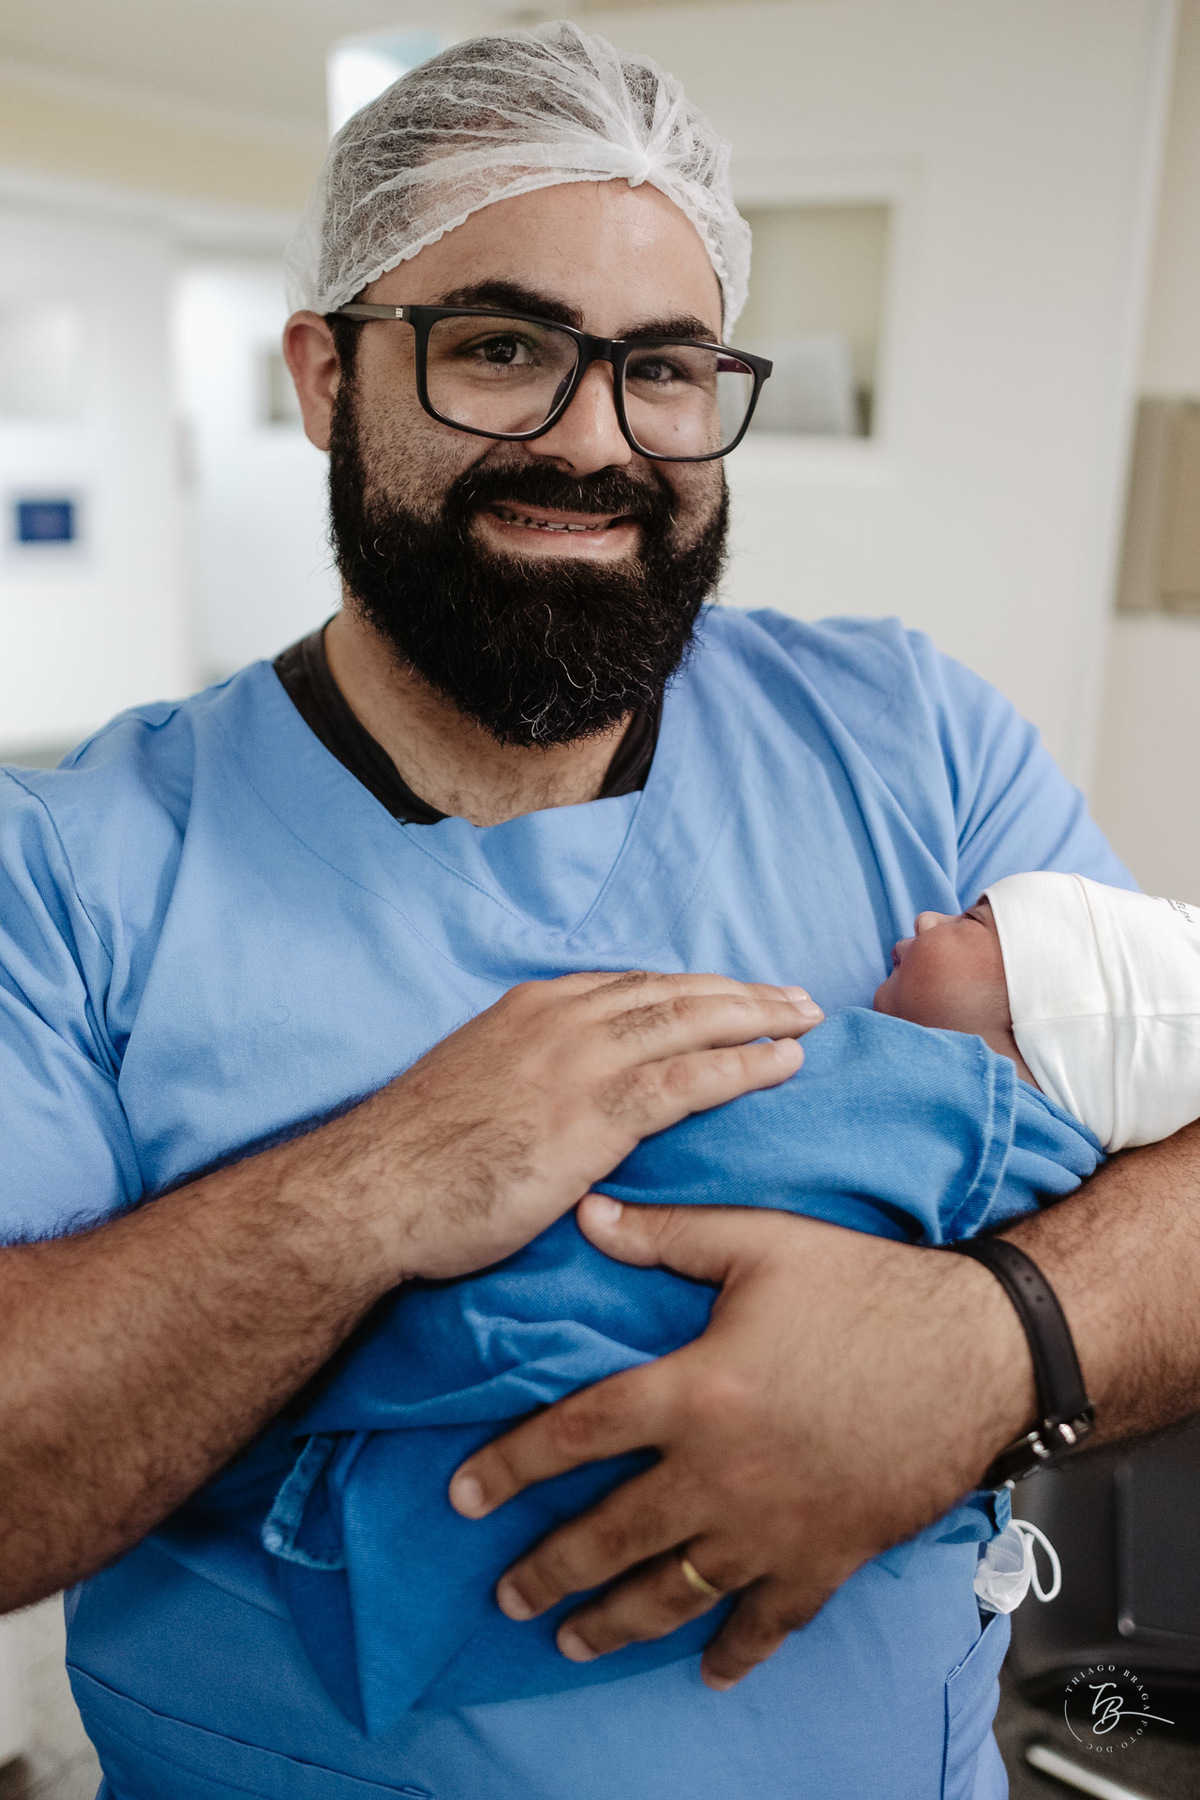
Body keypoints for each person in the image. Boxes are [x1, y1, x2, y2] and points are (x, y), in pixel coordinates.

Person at [1, 21, 1199, 1800]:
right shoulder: (69, 875)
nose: (594, 443)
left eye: (663, 368)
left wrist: (982, 1349)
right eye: (501, 348)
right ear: (327, 377)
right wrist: (377, 1185)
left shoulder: (908, 739)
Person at [258, 873, 1200, 1736]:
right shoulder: (1053, 1175)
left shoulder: (929, 1093)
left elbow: (696, 1159)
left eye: (974, 921)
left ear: (1063, 1012)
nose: (924, 915)